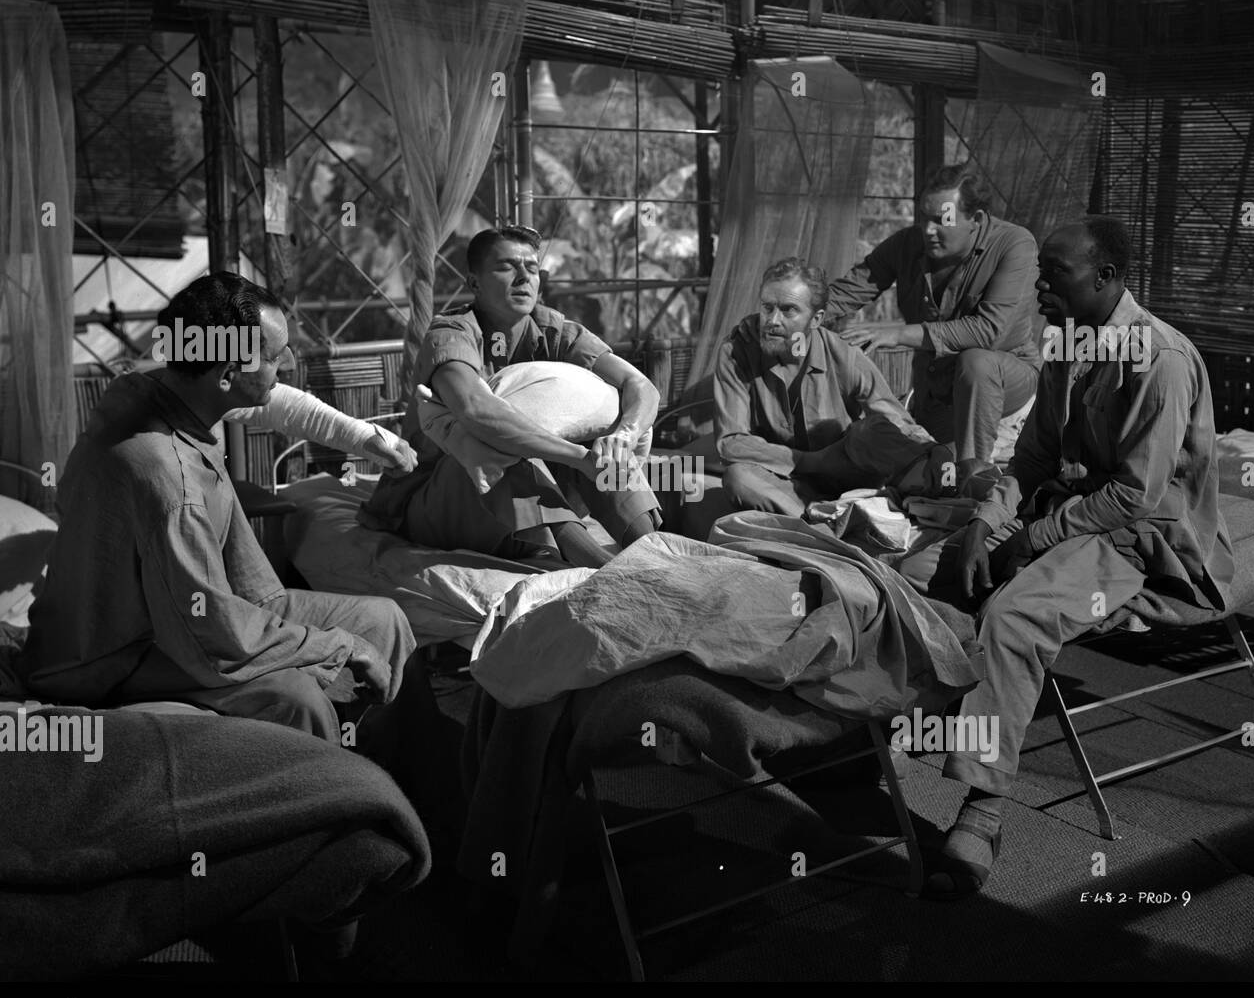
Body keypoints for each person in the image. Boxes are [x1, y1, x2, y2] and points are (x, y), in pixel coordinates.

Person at [893, 216, 1234, 899]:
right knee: (917, 575)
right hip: (1073, 511)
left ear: (1106, 278)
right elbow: (1035, 457)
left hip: (1142, 541)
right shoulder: (1070, 347)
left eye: (1057, 272)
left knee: (1016, 615)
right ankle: (895, 723)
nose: (1042, 284)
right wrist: (985, 525)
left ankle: (983, 811)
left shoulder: (1158, 360)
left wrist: (1033, 540)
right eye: (1041, 270)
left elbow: (1137, 496)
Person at [21, 273, 423, 743]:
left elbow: (278, 405)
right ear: (229, 373)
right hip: (111, 655)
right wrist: (339, 645)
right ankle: (337, 800)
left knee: (385, 621)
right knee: (296, 698)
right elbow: (212, 632)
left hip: (182, 617)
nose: (289, 365)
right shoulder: (168, 478)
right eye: (276, 357)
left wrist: (368, 439)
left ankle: (386, 773)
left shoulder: (156, 392)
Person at [360, 225, 661, 568]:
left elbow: (641, 386)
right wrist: (578, 458)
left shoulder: (555, 331)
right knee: (496, 442)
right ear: (474, 283)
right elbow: (477, 411)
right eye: (507, 267)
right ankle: (599, 568)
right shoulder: (452, 333)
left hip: (518, 503)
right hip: (433, 502)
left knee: (605, 438)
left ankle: (652, 550)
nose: (524, 278)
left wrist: (625, 436)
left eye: (532, 269)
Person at [823, 164, 1041, 478]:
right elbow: (848, 290)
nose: (928, 229)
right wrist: (791, 316)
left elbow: (989, 330)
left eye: (942, 220)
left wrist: (899, 332)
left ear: (976, 220)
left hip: (1005, 395)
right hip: (935, 401)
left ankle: (973, 477)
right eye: (924, 217)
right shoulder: (907, 244)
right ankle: (936, 469)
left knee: (977, 362)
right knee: (863, 441)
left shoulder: (1015, 245)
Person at [713, 257, 940, 517]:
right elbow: (731, 443)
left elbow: (896, 424)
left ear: (816, 319)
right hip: (788, 483)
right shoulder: (737, 352)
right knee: (739, 477)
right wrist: (807, 461)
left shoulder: (843, 355)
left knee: (872, 430)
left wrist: (933, 454)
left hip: (848, 478)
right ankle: (821, 522)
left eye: (788, 310)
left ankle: (841, 515)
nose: (772, 320)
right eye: (767, 307)